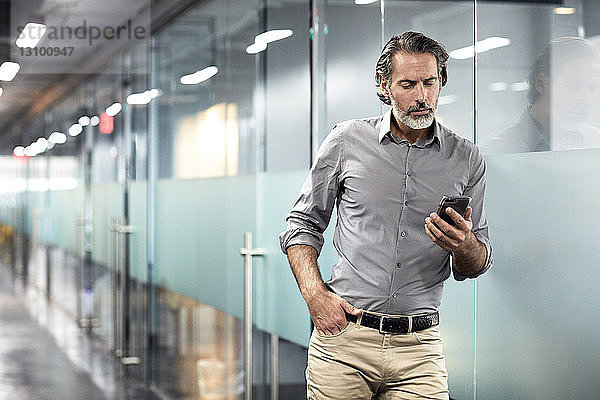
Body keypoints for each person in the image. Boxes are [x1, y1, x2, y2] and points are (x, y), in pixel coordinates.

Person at [279, 31, 493, 399]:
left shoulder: (466, 158)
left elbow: (475, 263)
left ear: (441, 82)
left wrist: (463, 244)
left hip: (420, 350)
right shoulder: (346, 140)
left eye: (430, 82)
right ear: (384, 86)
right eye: (408, 84)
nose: (422, 96)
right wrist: (314, 295)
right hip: (345, 339)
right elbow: (302, 224)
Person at [484, 37, 600, 154]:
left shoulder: (595, 142)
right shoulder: (498, 152)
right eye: (574, 86)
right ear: (541, 83)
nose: (586, 101)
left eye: (593, 89)